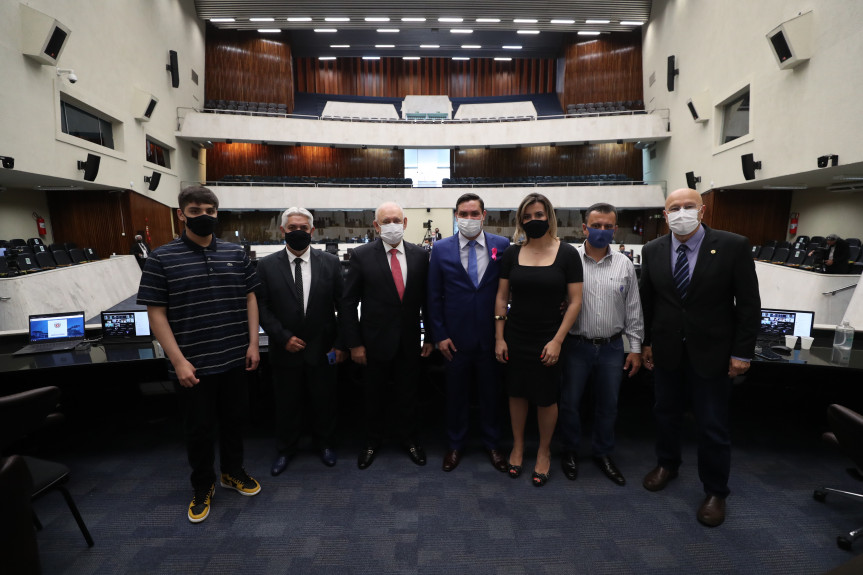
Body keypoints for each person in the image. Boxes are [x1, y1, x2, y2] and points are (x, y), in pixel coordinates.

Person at [137, 185, 261, 524]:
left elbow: (250, 298)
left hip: (235, 358)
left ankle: (232, 472)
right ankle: (203, 485)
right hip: (192, 364)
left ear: (217, 213)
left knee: (234, 422)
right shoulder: (161, 258)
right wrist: (178, 361)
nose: (204, 216)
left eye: (210, 211)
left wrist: (252, 344)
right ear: (181, 214)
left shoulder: (236, 253)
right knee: (198, 430)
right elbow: (156, 313)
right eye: (195, 211)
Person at [639, 187, 760, 527]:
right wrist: (646, 342)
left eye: (688, 206)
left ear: (702, 210)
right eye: (674, 208)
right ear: (665, 216)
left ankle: (716, 491)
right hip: (667, 351)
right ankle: (667, 464)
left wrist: (742, 352)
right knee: (665, 414)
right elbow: (648, 301)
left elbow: (748, 304)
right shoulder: (652, 249)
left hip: (713, 353)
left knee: (712, 425)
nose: (682, 213)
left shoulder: (733, 245)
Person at [494, 193, 583, 487]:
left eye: (539, 215)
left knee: (546, 397)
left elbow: (575, 302)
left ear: (549, 217)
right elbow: (502, 298)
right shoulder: (511, 253)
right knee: (516, 392)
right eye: (528, 216)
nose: (534, 220)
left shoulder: (567, 254)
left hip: (550, 336)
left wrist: (558, 340)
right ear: (521, 220)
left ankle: (544, 452)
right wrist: (499, 337)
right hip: (516, 335)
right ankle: (518, 447)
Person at [342, 201, 434, 469]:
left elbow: (427, 301)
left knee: (409, 395)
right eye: (386, 221)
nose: (392, 225)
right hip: (373, 343)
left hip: (409, 341)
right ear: (376, 226)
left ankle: (410, 440)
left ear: (404, 223)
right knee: (374, 396)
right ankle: (372, 442)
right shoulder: (361, 255)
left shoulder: (420, 255)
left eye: (396, 220)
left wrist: (430, 336)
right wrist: (354, 344)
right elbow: (348, 303)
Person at [256, 207, 348, 476]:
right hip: (284, 348)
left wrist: (341, 343)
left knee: (325, 401)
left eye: (303, 228)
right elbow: (262, 307)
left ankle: (325, 444)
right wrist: (282, 336)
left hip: (324, 347)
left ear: (312, 231)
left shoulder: (330, 262)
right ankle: (286, 449)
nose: (298, 232)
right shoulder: (266, 265)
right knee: (287, 403)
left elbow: (343, 306)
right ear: (282, 230)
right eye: (292, 228)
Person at [559, 203, 644, 486]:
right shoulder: (569, 259)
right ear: (584, 228)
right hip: (576, 345)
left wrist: (635, 348)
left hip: (611, 347)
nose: (602, 230)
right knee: (570, 403)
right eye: (596, 225)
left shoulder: (624, 264)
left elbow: (633, 309)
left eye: (608, 226)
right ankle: (569, 450)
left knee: (608, 405)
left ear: (615, 229)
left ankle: (603, 452)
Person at [427, 193, 511, 473]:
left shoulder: (501, 245)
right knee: (455, 396)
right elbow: (433, 296)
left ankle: (493, 444)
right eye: (463, 214)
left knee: (491, 395)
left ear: (484, 215)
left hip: (491, 337)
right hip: (454, 339)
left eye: (475, 214)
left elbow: (508, 289)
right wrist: (439, 335)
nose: (469, 219)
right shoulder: (441, 248)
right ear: (456, 216)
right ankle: (455, 445)